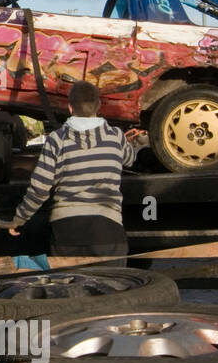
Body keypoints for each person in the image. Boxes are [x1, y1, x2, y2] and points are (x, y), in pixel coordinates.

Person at [8, 81, 148, 258]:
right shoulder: (116, 137)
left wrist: (19, 218)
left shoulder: (56, 140)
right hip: (108, 230)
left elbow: (40, 188)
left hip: (66, 231)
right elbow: (130, 159)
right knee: (113, 283)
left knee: (69, 284)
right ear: (99, 106)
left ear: (69, 107)